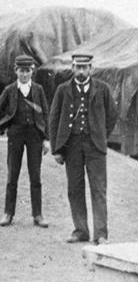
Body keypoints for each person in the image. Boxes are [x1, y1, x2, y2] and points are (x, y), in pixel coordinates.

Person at [49, 53, 118, 244]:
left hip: (95, 146)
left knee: (99, 189)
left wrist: (100, 135)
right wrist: (56, 148)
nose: (80, 71)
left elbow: (112, 115)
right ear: (72, 68)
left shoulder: (103, 89)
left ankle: (101, 234)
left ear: (91, 69)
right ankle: (81, 231)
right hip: (72, 147)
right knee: (75, 189)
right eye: (77, 67)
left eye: (84, 67)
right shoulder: (63, 90)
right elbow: (54, 119)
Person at [0, 55, 50, 227]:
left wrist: (46, 139)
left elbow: (45, 113)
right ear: (16, 71)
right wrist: (5, 125)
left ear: (32, 71)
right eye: (21, 71)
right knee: (12, 175)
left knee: (35, 176)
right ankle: (8, 213)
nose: (24, 75)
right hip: (16, 135)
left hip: (35, 135)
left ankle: (38, 215)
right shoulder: (9, 90)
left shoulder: (38, 89)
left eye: (27, 71)